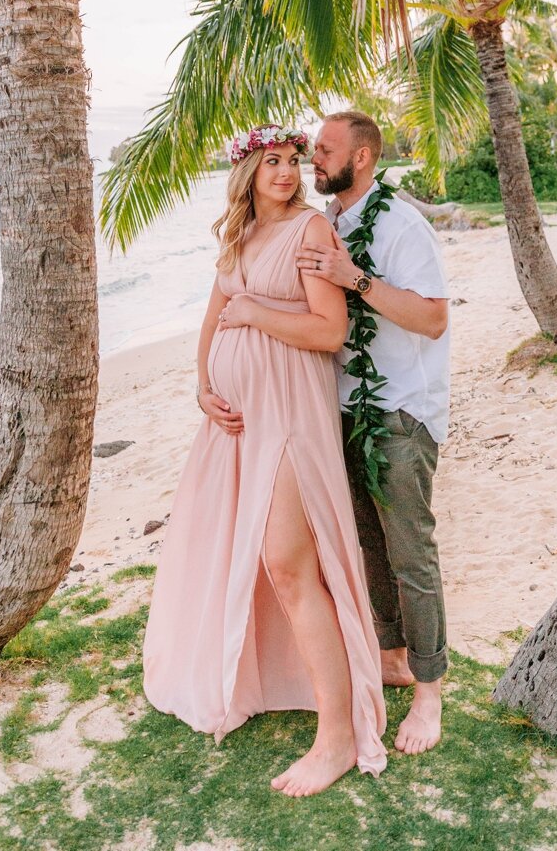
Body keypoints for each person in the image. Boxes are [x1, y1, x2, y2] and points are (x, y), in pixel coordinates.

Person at [143, 126, 388, 796]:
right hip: (237, 424)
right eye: (271, 161)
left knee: (289, 562)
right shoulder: (239, 236)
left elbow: (329, 331)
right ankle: (284, 682)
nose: (284, 171)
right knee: (254, 560)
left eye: (291, 160)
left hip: (288, 418)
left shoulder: (312, 232)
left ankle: (338, 738)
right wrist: (202, 386)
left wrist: (256, 311)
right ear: (248, 170)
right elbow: (212, 320)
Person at [302, 109, 453, 757]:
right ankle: (391, 655)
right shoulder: (331, 221)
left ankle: (429, 690)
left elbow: (433, 317)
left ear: (360, 157)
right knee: (368, 544)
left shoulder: (399, 223)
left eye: (325, 149)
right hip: (346, 409)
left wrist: (355, 279)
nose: (314, 157)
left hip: (400, 410)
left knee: (410, 552)